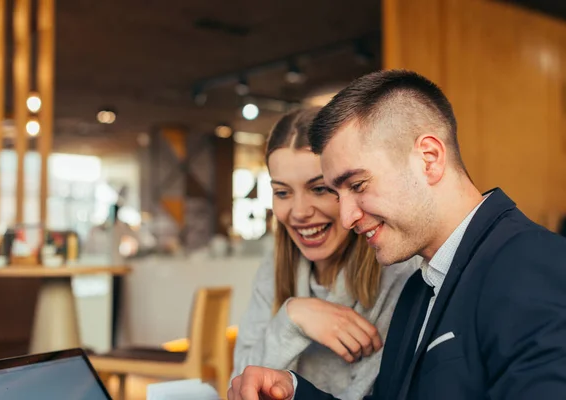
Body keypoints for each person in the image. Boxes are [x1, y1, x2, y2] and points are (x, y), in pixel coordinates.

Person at [228, 70, 566, 400]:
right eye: (336, 192)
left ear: (429, 159)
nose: (346, 218)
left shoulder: (532, 262)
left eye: (358, 185)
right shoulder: (420, 287)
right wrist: (294, 390)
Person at [231, 108, 419, 399]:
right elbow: (239, 384)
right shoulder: (272, 270)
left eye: (319, 189)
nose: (300, 212)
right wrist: (292, 318)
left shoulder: (398, 271)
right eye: (282, 192)